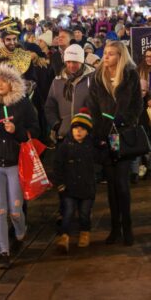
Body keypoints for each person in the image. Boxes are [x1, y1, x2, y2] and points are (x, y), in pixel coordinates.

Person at [0, 63, 39, 269]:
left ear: (12, 83)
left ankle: (21, 231)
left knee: (15, 210)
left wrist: (17, 130)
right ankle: (4, 251)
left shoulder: (22, 104)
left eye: (4, 80)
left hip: (15, 164)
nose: (0, 84)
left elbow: (35, 131)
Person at [88, 40, 143, 246]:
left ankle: (127, 227)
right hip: (104, 134)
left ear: (120, 56)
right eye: (106, 53)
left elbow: (137, 104)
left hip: (122, 134)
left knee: (121, 183)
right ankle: (114, 228)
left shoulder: (130, 75)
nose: (106, 57)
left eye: (111, 54)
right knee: (111, 185)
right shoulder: (97, 77)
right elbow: (92, 106)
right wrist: (99, 129)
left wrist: (125, 119)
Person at [54, 112, 96, 253]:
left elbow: (101, 159)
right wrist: (60, 184)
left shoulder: (91, 147)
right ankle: (64, 237)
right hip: (69, 188)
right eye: (76, 128)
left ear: (87, 132)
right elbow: (58, 166)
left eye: (82, 129)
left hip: (87, 188)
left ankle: (84, 232)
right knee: (68, 212)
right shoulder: (65, 147)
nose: (78, 131)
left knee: (84, 213)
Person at [45, 44, 94, 142]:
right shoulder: (57, 81)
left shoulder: (93, 79)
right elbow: (50, 106)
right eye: (68, 62)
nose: (71, 65)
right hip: (64, 134)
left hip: (87, 134)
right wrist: (56, 124)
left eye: (75, 62)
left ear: (82, 61)